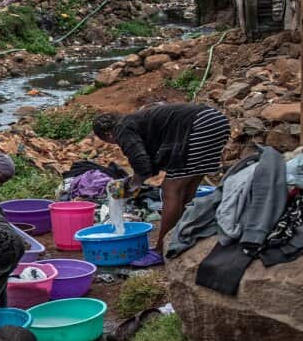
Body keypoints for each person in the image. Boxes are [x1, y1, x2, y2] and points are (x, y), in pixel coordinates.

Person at [91, 104, 231, 266]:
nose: (116, 144)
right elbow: (151, 163)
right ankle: (180, 237)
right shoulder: (137, 121)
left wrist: (130, 187)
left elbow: (140, 162)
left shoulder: (122, 128)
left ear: (108, 134)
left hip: (200, 126)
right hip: (217, 121)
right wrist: (134, 182)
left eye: (110, 142)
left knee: (170, 189)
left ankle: (160, 250)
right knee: (186, 189)